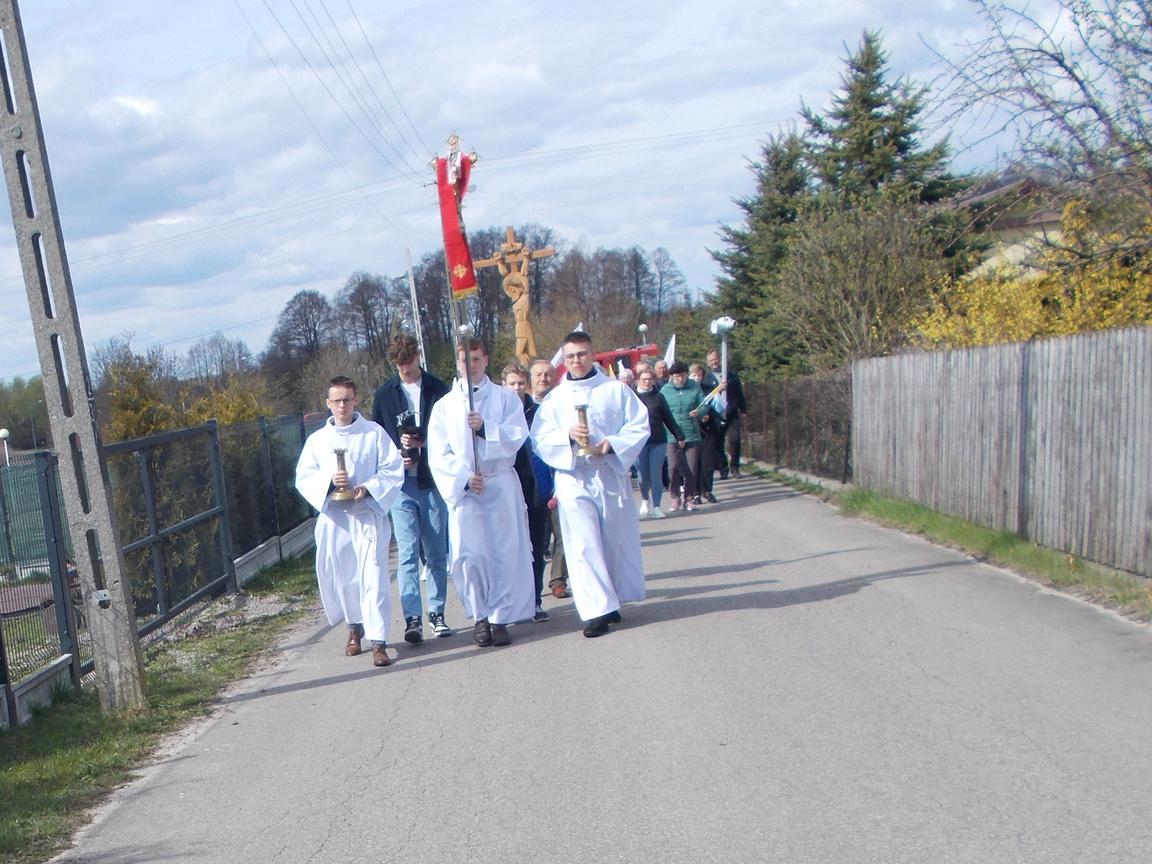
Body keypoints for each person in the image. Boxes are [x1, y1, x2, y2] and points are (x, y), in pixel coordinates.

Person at [530, 330, 649, 638]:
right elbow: (539, 437)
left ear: (592, 354)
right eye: (570, 356)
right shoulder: (555, 398)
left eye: (581, 354)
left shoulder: (615, 390)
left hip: (607, 472)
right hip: (574, 476)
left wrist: (615, 443)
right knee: (583, 544)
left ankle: (612, 600)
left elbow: (639, 425)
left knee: (612, 541)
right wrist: (566, 435)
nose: (576, 361)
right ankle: (596, 610)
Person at [427, 339, 534, 647]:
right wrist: (463, 478)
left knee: (502, 554)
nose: (470, 365)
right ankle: (480, 616)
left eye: (475, 358)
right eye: (464, 360)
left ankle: (499, 619)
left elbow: (517, 435)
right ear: (457, 363)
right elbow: (438, 453)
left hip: (499, 484)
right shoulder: (445, 406)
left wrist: (486, 428)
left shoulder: (505, 398)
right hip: (467, 491)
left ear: (486, 360)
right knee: (470, 555)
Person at [295, 376, 404, 667]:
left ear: (356, 400)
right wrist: (331, 483)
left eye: (347, 399)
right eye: (337, 400)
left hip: (367, 514)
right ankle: (354, 628)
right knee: (344, 576)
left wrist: (368, 488)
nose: (342, 405)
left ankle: (379, 641)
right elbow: (304, 477)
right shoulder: (318, 441)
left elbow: (392, 469)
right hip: (336, 517)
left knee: (374, 576)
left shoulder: (374, 433)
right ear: (328, 403)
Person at [371, 334, 453, 643]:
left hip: (432, 482)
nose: (405, 369)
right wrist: (396, 456)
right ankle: (412, 618)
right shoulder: (384, 395)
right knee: (406, 552)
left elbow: (451, 434)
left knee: (436, 551)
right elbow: (377, 440)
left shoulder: (438, 390)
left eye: (409, 363)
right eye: (399, 365)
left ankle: (437, 612)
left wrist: (426, 443)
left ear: (418, 356)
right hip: (401, 485)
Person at [503, 362, 550, 622]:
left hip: (535, 484)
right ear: (504, 385)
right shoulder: (499, 412)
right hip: (507, 483)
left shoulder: (538, 413)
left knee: (537, 542)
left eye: (521, 383)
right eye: (512, 383)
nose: (517, 388)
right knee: (510, 545)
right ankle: (512, 600)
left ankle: (535, 600)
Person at [530, 359, 570, 600]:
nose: (543, 379)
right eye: (538, 375)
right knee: (537, 541)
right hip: (533, 483)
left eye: (547, 374)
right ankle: (532, 592)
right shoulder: (522, 408)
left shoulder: (562, 405)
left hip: (559, 478)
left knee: (563, 534)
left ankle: (558, 580)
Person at [635, 367, 683, 518]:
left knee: (656, 474)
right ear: (638, 381)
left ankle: (657, 506)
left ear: (654, 381)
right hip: (639, 442)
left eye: (650, 379)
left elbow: (668, 418)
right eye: (644, 379)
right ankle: (645, 499)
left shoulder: (659, 397)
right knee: (642, 476)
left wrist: (679, 435)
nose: (647, 382)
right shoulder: (632, 397)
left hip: (658, 441)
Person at [661, 361, 705, 512]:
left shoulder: (695, 387)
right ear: (672, 377)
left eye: (683, 376)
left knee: (691, 469)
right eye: (676, 376)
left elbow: (704, 404)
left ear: (687, 374)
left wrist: (699, 412)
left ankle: (689, 498)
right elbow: (661, 411)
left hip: (691, 434)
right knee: (673, 467)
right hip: (672, 435)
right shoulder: (665, 391)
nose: (680, 379)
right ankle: (675, 497)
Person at [706, 348, 748, 477]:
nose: (714, 362)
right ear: (708, 363)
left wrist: (743, 408)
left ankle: (735, 466)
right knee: (718, 442)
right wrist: (719, 389)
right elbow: (706, 396)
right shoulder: (706, 379)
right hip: (716, 415)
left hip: (732, 412)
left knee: (735, 439)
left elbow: (739, 392)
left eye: (716, 359)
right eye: (711, 360)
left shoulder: (731, 375)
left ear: (720, 359)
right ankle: (723, 468)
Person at [691, 362, 722, 505]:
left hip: (707, 430)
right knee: (695, 464)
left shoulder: (708, 391)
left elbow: (715, 406)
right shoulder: (687, 391)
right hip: (692, 431)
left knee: (708, 462)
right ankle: (695, 492)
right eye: (694, 375)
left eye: (699, 375)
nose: (697, 378)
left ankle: (708, 490)